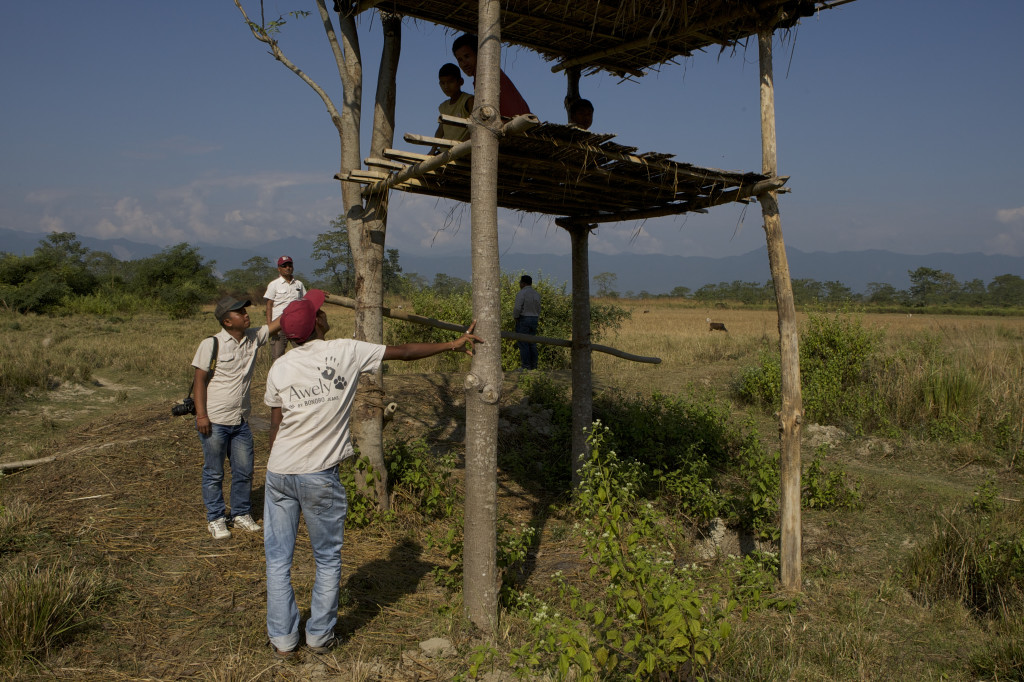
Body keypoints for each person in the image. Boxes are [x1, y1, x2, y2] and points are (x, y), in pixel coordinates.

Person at [262, 290, 481, 658]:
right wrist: (453, 344)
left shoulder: (280, 366)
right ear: (316, 324)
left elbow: (275, 425)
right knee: (328, 559)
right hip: (318, 474)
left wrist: (282, 465)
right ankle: (318, 637)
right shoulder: (346, 351)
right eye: (320, 312)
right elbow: (406, 352)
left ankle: (283, 641)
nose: (325, 313)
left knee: (278, 560)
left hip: (279, 472)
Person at [192, 297, 283, 540]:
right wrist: (201, 415)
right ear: (226, 321)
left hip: (240, 420)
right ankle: (216, 518)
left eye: (245, 311)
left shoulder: (253, 338)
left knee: (244, 470)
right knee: (214, 472)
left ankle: (241, 513)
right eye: (240, 312)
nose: (246, 315)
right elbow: (199, 381)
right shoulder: (211, 344)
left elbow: (280, 323)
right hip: (215, 420)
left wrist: (306, 301)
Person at [452, 33, 530, 118]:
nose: (464, 64)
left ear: (479, 53)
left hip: (515, 125)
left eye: (467, 56)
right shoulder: (489, 72)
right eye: (460, 60)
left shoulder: (485, 75)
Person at [264, 256, 307, 361]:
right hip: (278, 325)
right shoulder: (274, 285)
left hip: (296, 324)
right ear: (279, 268)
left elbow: (305, 302)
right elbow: (269, 306)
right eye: (284, 266)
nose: (288, 268)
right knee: (278, 357)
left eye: (290, 265)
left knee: (303, 354)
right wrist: (270, 326)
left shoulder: (299, 284)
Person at [435, 63, 474, 142]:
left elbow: (474, 127)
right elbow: (440, 131)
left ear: (461, 81)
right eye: (443, 83)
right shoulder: (443, 106)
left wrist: (460, 147)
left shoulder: (468, 100)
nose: (446, 86)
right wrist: (433, 149)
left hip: (462, 149)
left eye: (450, 82)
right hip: (445, 150)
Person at [512, 274, 541, 370]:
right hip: (534, 318)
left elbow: (517, 308)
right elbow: (538, 308)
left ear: (523, 283)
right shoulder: (536, 294)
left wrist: (516, 317)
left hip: (524, 318)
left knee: (523, 343)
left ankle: (526, 366)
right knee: (532, 343)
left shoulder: (522, 293)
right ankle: (534, 365)